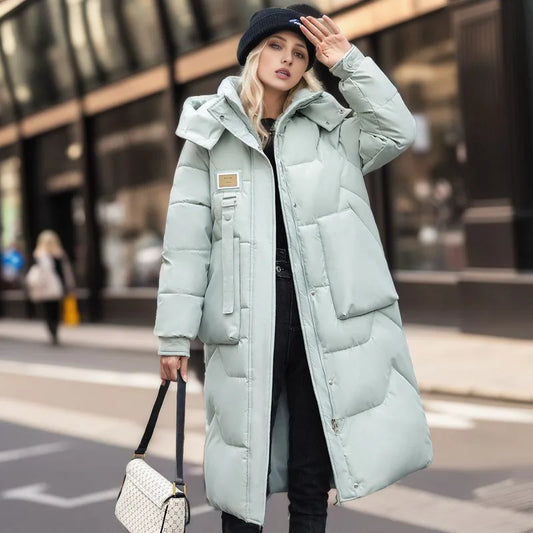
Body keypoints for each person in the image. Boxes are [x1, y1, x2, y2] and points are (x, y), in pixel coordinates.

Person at [155, 7, 433, 532]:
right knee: (243, 476)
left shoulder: (330, 129)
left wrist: (347, 62)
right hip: (245, 321)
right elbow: (186, 245)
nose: (288, 59)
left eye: (300, 52)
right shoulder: (209, 137)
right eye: (277, 47)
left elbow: (397, 131)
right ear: (253, 53)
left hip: (319, 316)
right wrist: (173, 336)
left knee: (312, 471)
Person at [27, 230, 75, 345]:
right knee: (50, 310)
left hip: (56, 287)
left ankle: (54, 332)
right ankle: (53, 333)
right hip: (47, 287)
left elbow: (65, 272)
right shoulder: (41, 255)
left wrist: (69, 285)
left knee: (53, 310)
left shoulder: (59, 254)